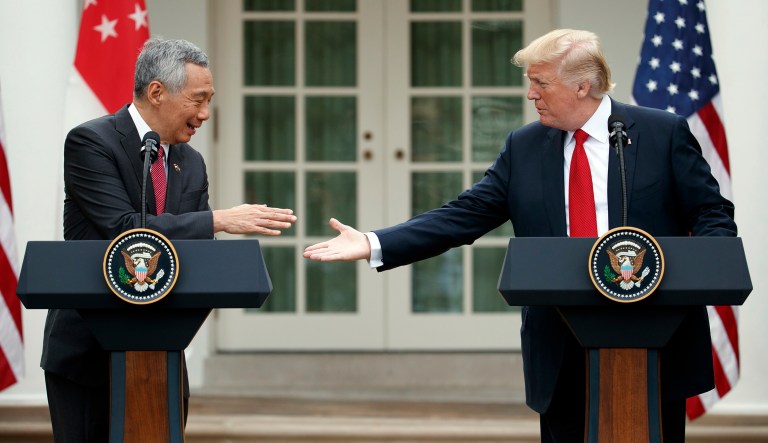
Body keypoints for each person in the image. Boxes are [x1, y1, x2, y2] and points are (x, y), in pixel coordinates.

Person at [304, 29, 736, 442]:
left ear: (583, 86)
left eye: (541, 83)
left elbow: (711, 211)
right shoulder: (525, 147)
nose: (531, 94)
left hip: (652, 337)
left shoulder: (661, 133)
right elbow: (466, 213)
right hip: (561, 341)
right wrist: (375, 242)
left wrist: (705, 269)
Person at [41, 38, 297, 442]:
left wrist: (214, 235)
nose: (205, 114)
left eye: (210, 100)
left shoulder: (190, 161)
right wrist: (219, 220)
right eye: (198, 100)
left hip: (162, 352)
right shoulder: (92, 143)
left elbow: (198, 256)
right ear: (157, 92)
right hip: (88, 350)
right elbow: (125, 230)